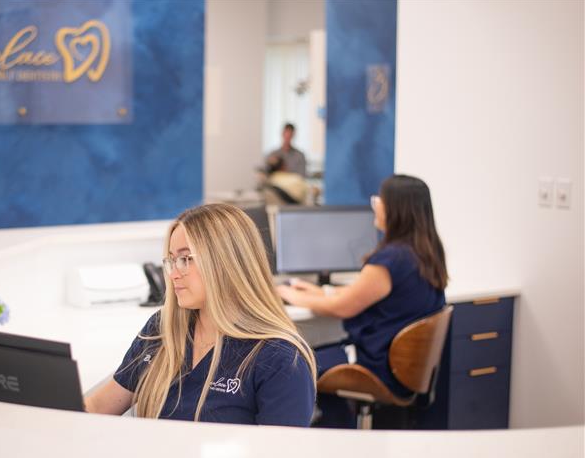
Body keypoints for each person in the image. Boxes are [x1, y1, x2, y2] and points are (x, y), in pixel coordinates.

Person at [85, 203, 317, 426]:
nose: (174, 274)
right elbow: (97, 407)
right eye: (171, 260)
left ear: (225, 263)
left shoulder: (280, 358)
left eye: (185, 259)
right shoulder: (162, 328)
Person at [277, 174, 447, 425]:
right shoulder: (424, 252)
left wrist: (288, 294)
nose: (375, 204)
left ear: (396, 209)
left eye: (380, 199)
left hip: (379, 367)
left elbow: (341, 307)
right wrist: (315, 291)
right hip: (402, 367)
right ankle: (340, 428)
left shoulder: (390, 261)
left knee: (297, 363)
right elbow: (358, 294)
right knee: (315, 361)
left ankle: (337, 436)